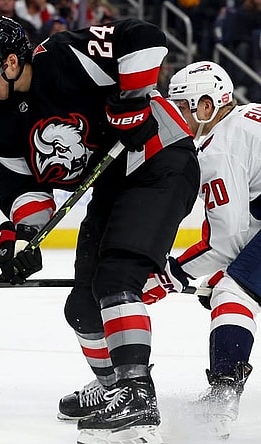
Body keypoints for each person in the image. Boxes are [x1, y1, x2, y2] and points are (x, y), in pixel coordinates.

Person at [0, 16, 199, 444]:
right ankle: (113, 388)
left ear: (11, 62)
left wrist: (134, 100)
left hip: (160, 162)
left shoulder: (64, 55)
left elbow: (143, 37)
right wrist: (22, 240)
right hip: (113, 184)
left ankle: (136, 391)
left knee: (117, 277)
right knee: (83, 308)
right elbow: (25, 191)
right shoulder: (3, 125)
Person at [143, 61, 259, 438]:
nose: (175, 118)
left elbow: (225, 240)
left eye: (182, 107)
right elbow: (246, 231)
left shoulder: (219, 149)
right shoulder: (245, 121)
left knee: (233, 291)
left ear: (207, 107)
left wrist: (172, 276)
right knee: (236, 285)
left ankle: (222, 398)